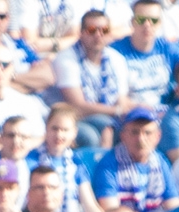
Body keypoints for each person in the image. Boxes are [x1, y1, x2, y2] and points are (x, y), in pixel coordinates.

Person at [90, 106, 179, 212]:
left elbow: (174, 207)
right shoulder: (108, 164)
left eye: (147, 133)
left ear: (157, 137)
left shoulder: (160, 161)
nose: (141, 139)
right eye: (134, 132)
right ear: (123, 135)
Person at [55, 9, 130, 148]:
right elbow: (78, 107)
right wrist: (116, 112)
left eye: (104, 30)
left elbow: (121, 100)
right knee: (92, 136)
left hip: (109, 118)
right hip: (73, 120)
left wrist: (118, 113)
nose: (98, 35)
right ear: (81, 33)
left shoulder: (116, 59)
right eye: (92, 30)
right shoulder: (66, 59)